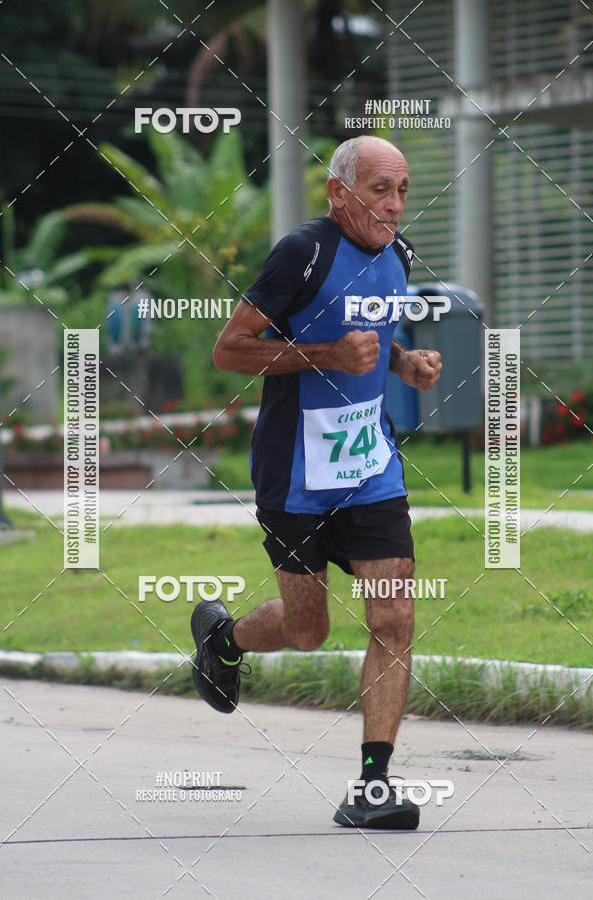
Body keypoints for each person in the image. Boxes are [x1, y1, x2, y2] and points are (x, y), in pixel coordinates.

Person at [190, 135, 442, 830]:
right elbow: (230, 348)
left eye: (402, 191)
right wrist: (322, 354)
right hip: (295, 476)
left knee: (394, 616)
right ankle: (224, 639)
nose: (393, 206)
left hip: (369, 470)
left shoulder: (398, 256)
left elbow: (369, 331)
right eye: (378, 190)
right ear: (338, 193)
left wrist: (402, 365)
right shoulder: (303, 253)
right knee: (308, 631)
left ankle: (372, 787)